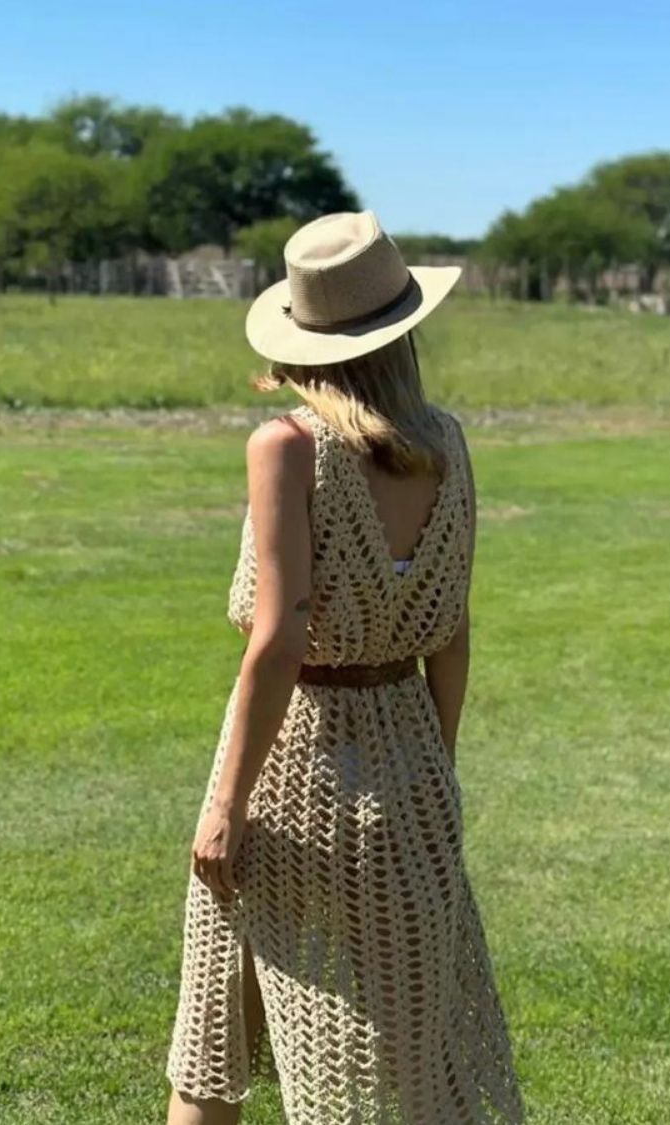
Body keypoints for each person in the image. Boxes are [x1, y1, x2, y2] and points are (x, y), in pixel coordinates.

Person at [165, 210, 525, 1125]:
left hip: (293, 767)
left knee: (215, 1031)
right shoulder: (445, 444)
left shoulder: (286, 445)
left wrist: (224, 805)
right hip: (409, 754)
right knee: (411, 1047)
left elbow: (279, 639)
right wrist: (432, 764)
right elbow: (452, 631)